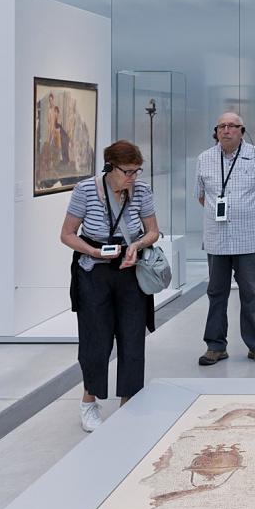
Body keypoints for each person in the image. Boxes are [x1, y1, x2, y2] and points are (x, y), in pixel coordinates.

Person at [60, 140, 160, 432]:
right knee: (96, 338)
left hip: (130, 270)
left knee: (132, 337)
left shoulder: (141, 190)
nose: (133, 177)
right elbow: (67, 234)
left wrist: (137, 245)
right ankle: (89, 402)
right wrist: (92, 252)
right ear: (109, 168)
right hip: (93, 272)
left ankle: (129, 402)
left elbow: (153, 230)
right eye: (127, 171)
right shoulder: (86, 190)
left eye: (136, 171)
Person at [195, 112, 255, 366]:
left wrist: (248, 212)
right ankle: (215, 346)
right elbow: (201, 197)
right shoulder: (204, 159)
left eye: (232, 126)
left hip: (248, 238)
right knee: (216, 293)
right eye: (222, 126)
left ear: (242, 130)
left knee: (250, 293)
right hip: (217, 239)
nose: (226, 130)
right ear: (216, 131)